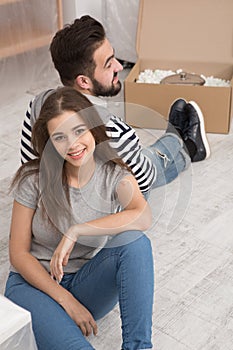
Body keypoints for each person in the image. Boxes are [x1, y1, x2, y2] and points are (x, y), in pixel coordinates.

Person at [5, 87, 154, 350]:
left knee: (135, 243)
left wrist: (76, 230)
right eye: (59, 137)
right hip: (33, 286)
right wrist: (66, 301)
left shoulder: (113, 174)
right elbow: (18, 254)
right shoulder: (33, 179)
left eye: (79, 131)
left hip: (85, 282)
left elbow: (142, 216)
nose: (73, 144)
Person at [21, 15, 210, 197]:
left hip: (52, 201)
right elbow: (145, 180)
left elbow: (30, 166)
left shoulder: (37, 103)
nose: (119, 67)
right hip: (95, 209)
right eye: (109, 64)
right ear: (84, 82)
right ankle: (182, 142)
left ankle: (186, 145)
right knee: (150, 161)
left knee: (131, 157)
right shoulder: (111, 128)